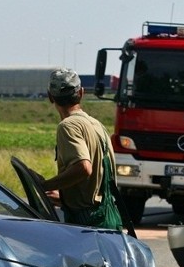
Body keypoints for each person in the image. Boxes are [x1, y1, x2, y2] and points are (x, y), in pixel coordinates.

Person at [42, 68, 124, 230]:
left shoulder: (68, 125)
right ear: (81, 93)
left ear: (50, 96)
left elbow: (83, 167)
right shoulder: (96, 125)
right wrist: (64, 197)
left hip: (87, 222)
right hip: (107, 216)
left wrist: (44, 186)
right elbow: (96, 183)